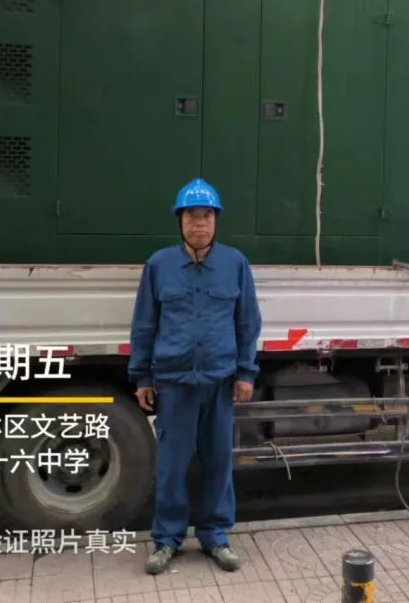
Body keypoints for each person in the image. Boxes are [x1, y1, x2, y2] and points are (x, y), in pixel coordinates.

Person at [128, 177, 262, 576]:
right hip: (174, 384)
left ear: (215, 220)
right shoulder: (160, 265)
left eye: (206, 215)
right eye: (191, 215)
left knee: (218, 463)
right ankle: (166, 540)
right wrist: (142, 377)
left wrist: (245, 372)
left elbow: (247, 323)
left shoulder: (235, 264)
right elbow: (144, 325)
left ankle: (215, 537)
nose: (199, 222)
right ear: (180, 221)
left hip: (220, 383)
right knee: (171, 467)